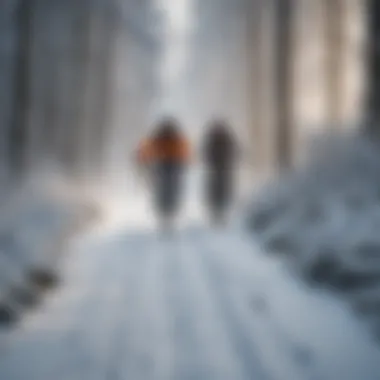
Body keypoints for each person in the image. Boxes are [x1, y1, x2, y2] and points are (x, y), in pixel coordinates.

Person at [136, 117, 191, 231]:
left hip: (164, 165)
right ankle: (168, 211)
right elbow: (185, 151)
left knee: (162, 188)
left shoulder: (159, 137)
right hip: (171, 165)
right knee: (170, 188)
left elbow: (147, 150)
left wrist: (144, 162)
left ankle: (164, 211)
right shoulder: (175, 137)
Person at [202, 120, 239, 225]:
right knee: (218, 190)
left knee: (221, 190)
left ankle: (220, 212)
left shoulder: (221, 140)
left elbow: (233, 152)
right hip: (218, 169)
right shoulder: (222, 139)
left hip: (223, 169)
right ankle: (217, 211)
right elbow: (206, 153)